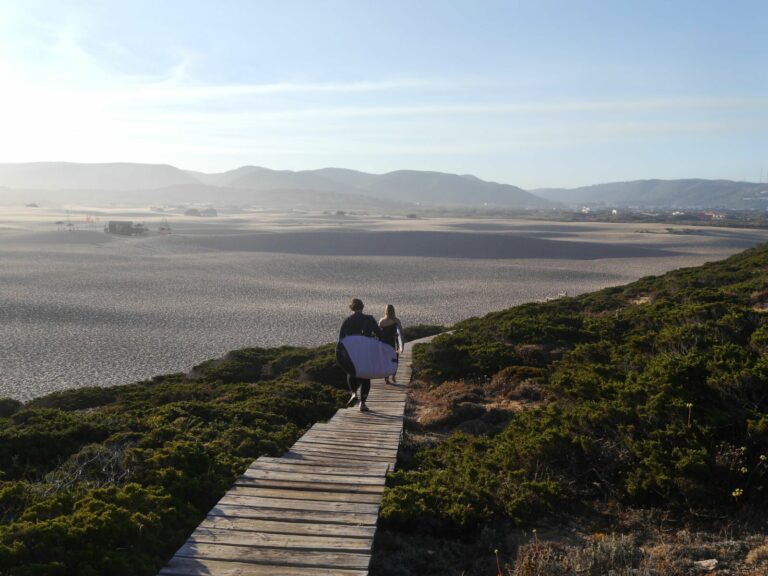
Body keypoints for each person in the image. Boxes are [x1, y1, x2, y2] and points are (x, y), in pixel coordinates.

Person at [338, 298, 383, 412]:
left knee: (351, 372)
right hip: (366, 351)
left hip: (353, 352)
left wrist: (343, 353)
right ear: (362, 307)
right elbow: (379, 334)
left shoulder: (347, 320)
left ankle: (353, 393)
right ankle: (362, 403)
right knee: (366, 377)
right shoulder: (369, 319)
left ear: (352, 308)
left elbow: (341, 338)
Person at [378, 304, 404, 385]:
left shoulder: (381, 321)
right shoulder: (396, 321)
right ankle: (393, 376)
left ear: (386, 311)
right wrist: (401, 345)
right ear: (393, 311)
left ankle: (387, 377)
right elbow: (400, 333)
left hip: (384, 343)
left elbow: (378, 333)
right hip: (393, 343)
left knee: (386, 361)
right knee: (394, 360)